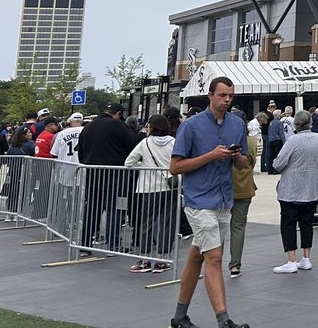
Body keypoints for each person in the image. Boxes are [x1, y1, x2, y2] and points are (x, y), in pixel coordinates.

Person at [168, 76, 251, 328]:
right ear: (210, 95)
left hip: (224, 199)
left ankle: (179, 317)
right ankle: (224, 320)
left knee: (198, 256)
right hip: (199, 200)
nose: (227, 100)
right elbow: (175, 167)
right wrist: (210, 156)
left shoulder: (237, 124)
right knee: (214, 257)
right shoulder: (191, 126)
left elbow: (244, 162)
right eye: (223, 95)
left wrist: (236, 156)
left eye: (230, 96)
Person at [272, 110, 318, 274]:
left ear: (295, 124)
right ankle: (306, 258)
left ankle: (291, 260)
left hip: (292, 189)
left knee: (288, 224)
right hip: (312, 188)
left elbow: (278, 164)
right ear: (310, 123)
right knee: (306, 223)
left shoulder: (292, 141)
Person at [78, 102, 139, 252]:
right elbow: (132, 146)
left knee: (92, 208)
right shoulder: (118, 125)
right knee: (117, 208)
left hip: (93, 173)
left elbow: (81, 151)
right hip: (116, 174)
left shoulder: (88, 127)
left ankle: (84, 244)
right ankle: (113, 245)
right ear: (117, 114)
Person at [124, 114, 175, 274]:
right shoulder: (174, 142)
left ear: (151, 127)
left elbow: (129, 162)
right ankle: (161, 259)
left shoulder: (145, 143)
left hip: (148, 187)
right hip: (169, 187)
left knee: (146, 223)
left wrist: (144, 165)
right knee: (167, 223)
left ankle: (145, 260)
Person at [228, 127, 257, 279]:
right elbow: (252, 162)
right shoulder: (250, 141)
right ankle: (235, 265)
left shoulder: (224, 139)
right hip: (245, 186)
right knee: (238, 227)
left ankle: (213, 261)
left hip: (225, 187)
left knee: (216, 226)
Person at [4, 125, 35, 219]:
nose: (31, 134)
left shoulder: (12, 146)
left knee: (12, 191)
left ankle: (10, 212)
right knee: (24, 191)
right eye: (28, 133)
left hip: (13, 171)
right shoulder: (30, 144)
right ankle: (20, 212)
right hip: (25, 171)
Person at [266, 109, 285, 175]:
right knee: (277, 155)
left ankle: (270, 170)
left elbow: (269, 132)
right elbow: (281, 133)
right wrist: (284, 142)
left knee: (271, 155)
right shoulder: (279, 123)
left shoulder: (271, 123)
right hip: (278, 140)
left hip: (271, 140)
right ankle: (276, 169)